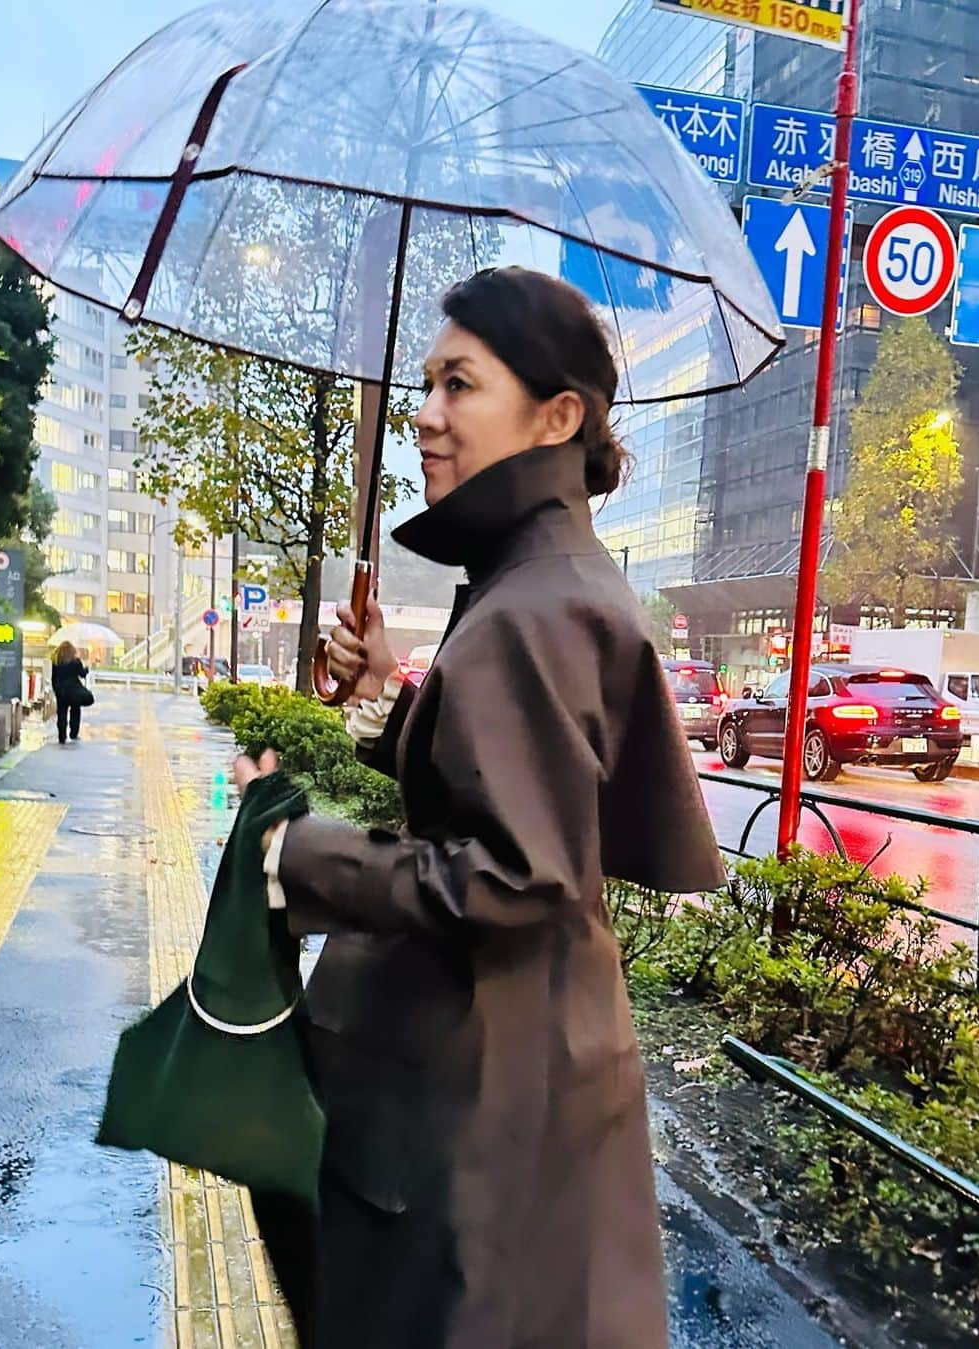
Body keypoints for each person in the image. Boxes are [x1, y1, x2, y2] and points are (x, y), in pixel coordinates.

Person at [234, 267, 726, 1349]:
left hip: (470, 1117)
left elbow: (515, 873)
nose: (424, 412)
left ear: (556, 415)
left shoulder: (531, 610)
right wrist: (392, 692)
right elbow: (514, 781)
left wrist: (293, 849)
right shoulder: (543, 584)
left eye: (459, 383)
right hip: (524, 1085)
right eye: (424, 383)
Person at [51, 640, 89, 745]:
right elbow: (82, 674)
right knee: (75, 711)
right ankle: (73, 733)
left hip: (61, 691)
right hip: (74, 691)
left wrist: (55, 689)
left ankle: (62, 736)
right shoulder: (76, 662)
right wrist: (86, 668)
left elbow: (53, 677)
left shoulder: (56, 662)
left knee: (61, 713)